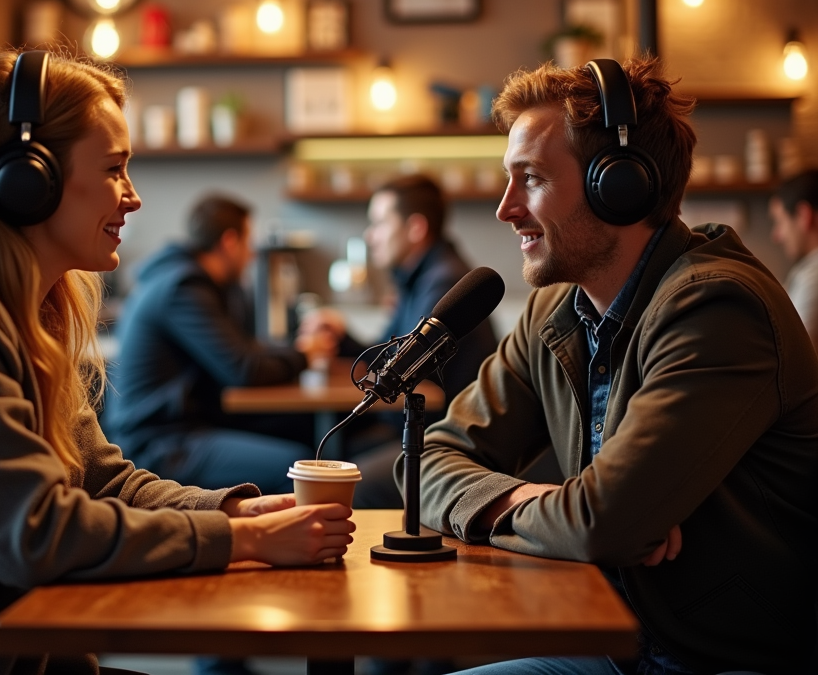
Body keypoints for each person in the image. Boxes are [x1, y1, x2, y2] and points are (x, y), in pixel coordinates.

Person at [0, 50, 355, 675]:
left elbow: (100, 479)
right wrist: (244, 541)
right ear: (27, 179)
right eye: (115, 169)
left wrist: (229, 511)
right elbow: (34, 535)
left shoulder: (28, 311)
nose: (134, 198)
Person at [411, 58, 818, 675]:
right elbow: (430, 459)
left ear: (621, 186)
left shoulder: (718, 309)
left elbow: (603, 526)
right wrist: (532, 500)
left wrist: (581, 516)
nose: (506, 208)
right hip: (619, 648)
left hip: (719, 661)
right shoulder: (557, 309)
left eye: (532, 179)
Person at [297, 174, 498, 509]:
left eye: (378, 223)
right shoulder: (416, 278)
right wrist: (341, 336)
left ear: (415, 228)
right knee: (327, 450)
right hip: (413, 425)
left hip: (446, 436)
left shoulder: (442, 283)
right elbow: (388, 354)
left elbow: (406, 374)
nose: (369, 235)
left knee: (349, 480)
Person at [101, 194, 322, 496]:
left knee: (302, 428)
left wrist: (296, 352)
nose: (252, 255)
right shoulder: (183, 288)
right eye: (249, 243)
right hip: (158, 443)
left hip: (179, 428)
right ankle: (272, 541)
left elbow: (243, 351)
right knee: (296, 469)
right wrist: (305, 355)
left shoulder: (186, 281)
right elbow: (245, 369)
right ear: (230, 242)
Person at [770, 169, 818, 352]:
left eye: (780, 222)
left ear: (803, 215)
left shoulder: (813, 277)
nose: (776, 236)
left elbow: (795, 355)